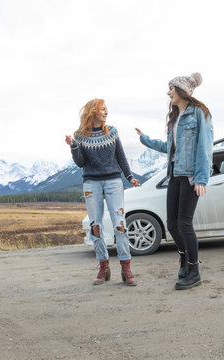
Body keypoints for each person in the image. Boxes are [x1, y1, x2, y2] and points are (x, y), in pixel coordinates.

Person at [136, 72, 213, 290]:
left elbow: (205, 147)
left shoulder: (200, 113)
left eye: (171, 88)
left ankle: (194, 270)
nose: (168, 92)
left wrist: (201, 178)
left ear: (182, 91)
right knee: (172, 224)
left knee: (184, 223)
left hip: (190, 176)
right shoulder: (175, 117)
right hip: (174, 175)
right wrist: (145, 140)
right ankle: (184, 258)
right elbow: (170, 148)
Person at [65, 99, 139, 286]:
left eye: (106, 109)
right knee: (95, 226)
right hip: (91, 183)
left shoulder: (112, 132)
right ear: (93, 112)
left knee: (119, 224)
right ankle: (103, 266)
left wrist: (129, 177)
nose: (106, 112)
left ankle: (126, 267)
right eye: (102, 109)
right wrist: (73, 146)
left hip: (114, 181)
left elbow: (120, 155)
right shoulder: (80, 135)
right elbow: (81, 162)